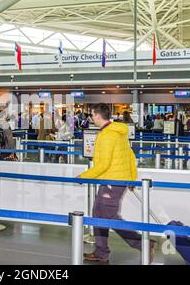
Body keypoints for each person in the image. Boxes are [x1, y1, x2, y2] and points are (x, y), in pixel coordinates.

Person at [77, 103, 156, 263]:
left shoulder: (106, 135)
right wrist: (131, 178)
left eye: (92, 115)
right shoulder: (118, 132)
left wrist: (83, 177)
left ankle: (144, 244)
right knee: (98, 214)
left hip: (112, 181)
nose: (91, 118)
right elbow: (130, 157)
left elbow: (103, 164)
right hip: (113, 180)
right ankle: (101, 252)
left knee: (110, 217)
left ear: (98, 116)